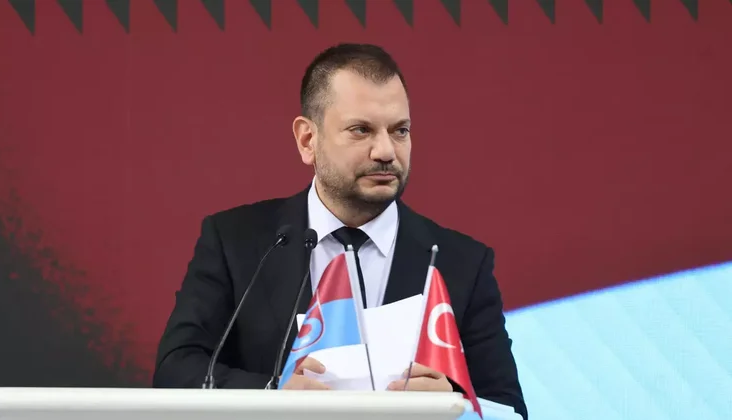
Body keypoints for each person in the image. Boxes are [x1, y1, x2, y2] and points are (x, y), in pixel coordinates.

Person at [153, 43, 527, 419]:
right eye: (361, 130)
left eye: (400, 131)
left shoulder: (462, 264)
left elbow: (508, 406)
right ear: (308, 140)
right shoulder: (238, 241)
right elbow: (175, 369)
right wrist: (272, 394)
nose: (386, 151)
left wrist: (453, 404)